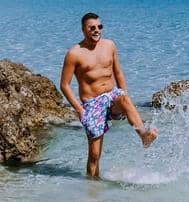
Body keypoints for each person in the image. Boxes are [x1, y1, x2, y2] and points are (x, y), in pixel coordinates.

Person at [60, 12, 158, 179]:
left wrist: (125, 96)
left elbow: (118, 72)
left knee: (125, 99)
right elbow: (64, 85)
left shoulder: (110, 45)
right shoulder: (74, 53)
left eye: (99, 27)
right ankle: (93, 188)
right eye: (92, 27)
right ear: (83, 29)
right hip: (92, 104)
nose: (96, 30)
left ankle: (143, 135)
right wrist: (79, 109)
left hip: (111, 96)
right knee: (94, 155)